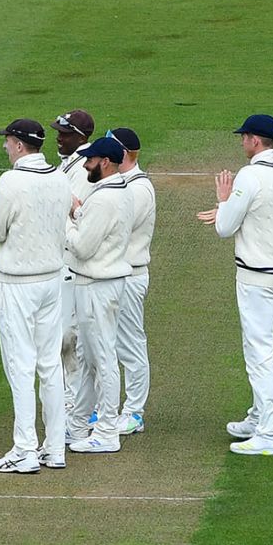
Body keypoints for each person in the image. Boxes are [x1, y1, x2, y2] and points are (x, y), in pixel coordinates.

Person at [196, 114, 273, 456]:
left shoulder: (250, 175)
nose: (241, 142)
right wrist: (227, 209)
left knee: (259, 352)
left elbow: (225, 228)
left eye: (244, 137)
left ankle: (269, 433)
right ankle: (258, 417)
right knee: (261, 346)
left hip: (257, 275)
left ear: (255, 140)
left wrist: (224, 200)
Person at [0, 119, 72, 472]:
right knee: (50, 364)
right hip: (52, 280)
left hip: (18, 283)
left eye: (8, 141)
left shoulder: (11, 181)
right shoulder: (60, 177)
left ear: (18, 144)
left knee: (20, 364)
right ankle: (55, 448)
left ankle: (25, 450)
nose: (5, 146)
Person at [65, 136, 132, 454]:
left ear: (105, 162)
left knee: (102, 359)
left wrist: (63, 222)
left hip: (98, 285)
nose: (85, 165)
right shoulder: (114, 191)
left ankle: (106, 431)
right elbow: (98, 229)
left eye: (90, 160)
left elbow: (82, 247)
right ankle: (79, 423)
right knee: (89, 359)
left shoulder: (105, 198)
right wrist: (79, 214)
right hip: (99, 282)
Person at [109, 127, 156, 435]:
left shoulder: (138, 189)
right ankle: (107, 407)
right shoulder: (121, 183)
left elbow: (116, 228)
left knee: (129, 345)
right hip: (114, 274)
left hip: (130, 275)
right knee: (107, 344)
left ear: (123, 154)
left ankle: (134, 412)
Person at [49, 109, 96, 412]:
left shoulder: (81, 169)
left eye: (65, 133)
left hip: (73, 262)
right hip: (63, 260)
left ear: (80, 137)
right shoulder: (70, 163)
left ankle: (76, 401)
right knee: (64, 334)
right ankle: (75, 398)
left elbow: (70, 210)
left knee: (70, 335)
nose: (59, 138)